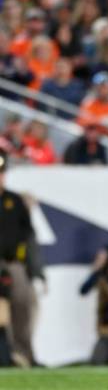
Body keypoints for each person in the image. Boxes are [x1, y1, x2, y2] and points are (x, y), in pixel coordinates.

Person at [0, 150, 37, 366]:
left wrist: (33, 268)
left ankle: (24, 355)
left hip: (13, 263)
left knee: (24, 303)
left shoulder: (15, 201)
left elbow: (28, 236)